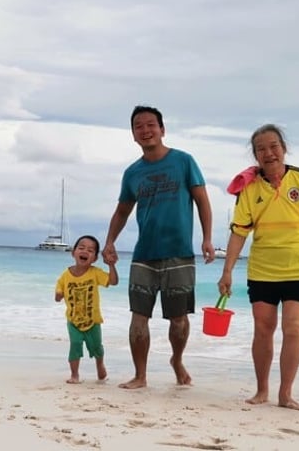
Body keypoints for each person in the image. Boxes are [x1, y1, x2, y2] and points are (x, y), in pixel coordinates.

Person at [217, 123, 299, 411]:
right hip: (263, 268)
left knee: (293, 328)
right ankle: (262, 390)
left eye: (273, 146)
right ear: (255, 156)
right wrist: (227, 271)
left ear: (283, 148)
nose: (268, 153)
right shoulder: (248, 188)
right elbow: (239, 231)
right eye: (261, 149)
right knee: (263, 329)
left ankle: (285, 394)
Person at [102, 105, 216, 389]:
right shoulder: (132, 173)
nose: (145, 130)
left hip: (178, 253)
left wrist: (207, 238)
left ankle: (177, 360)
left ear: (162, 129)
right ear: (133, 135)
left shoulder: (183, 161)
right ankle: (140, 376)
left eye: (151, 124)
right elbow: (122, 212)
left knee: (178, 320)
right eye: (138, 126)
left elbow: (202, 201)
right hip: (144, 254)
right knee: (138, 318)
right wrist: (110, 241)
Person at [55, 235, 119, 384]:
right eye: (81, 248)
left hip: (93, 320)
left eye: (90, 250)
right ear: (73, 252)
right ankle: (75, 374)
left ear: (95, 258)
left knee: (97, 347)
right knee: (75, 345)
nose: (85, 251)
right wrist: (58, 295)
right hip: (73, 320)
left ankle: (100, 364)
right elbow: (58, 293)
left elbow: (113, 281)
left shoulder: (95, 273)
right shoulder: (65, 275)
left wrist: (111, 265)